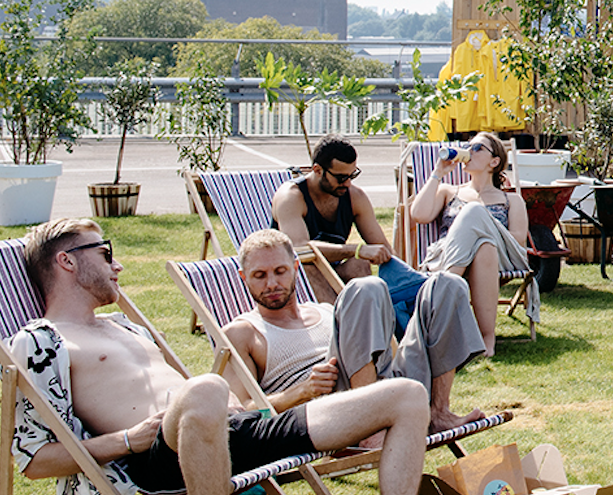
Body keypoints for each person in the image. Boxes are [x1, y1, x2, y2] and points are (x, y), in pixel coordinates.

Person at [12, 217, 484, 495]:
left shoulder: (123, 326)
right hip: (160, 454)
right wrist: (127, 441)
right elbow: (35, 459)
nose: (118, 264)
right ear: (67, 261)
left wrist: (238, 407)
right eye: (106, 251)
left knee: (403, 395)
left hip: (231, 428)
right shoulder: (41, 342)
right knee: (206, 385)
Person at [223, 229, 487, 436]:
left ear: (295, 268)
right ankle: (370, 426)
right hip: (334, 409)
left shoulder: (326, 311)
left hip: (391, 387)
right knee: (366, 287)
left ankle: (439, 412)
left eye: (280, 271)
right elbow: (240, 411)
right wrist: (303, 390)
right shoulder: (243, 332)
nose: (271, 283)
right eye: (259, 275)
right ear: (243, 277)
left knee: (448, 285)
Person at [402, 131, 536, 354]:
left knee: (480, 228)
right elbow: (419, 214)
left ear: (494, 162)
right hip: (447, 256)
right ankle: (486, 338)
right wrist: (438, 173)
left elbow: (518, 242)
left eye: (477, 148)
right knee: (483, 243)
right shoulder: (449, 191)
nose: (469, 151)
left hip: (499, 260)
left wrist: (480, 225)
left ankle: (437, 303)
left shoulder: (511, 200)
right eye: (468, 147)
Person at [273, 136, 391, 282]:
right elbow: (300, 250)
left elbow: (384, 249)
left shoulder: (355, 197)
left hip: (332, 272)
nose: (347, 183)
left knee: (359, 264)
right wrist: (357, 250)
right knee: (309, 268)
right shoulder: (291, 197)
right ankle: (337, 306)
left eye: (352, 175)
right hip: (294, 277)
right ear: (317, 170)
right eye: (341, 178)